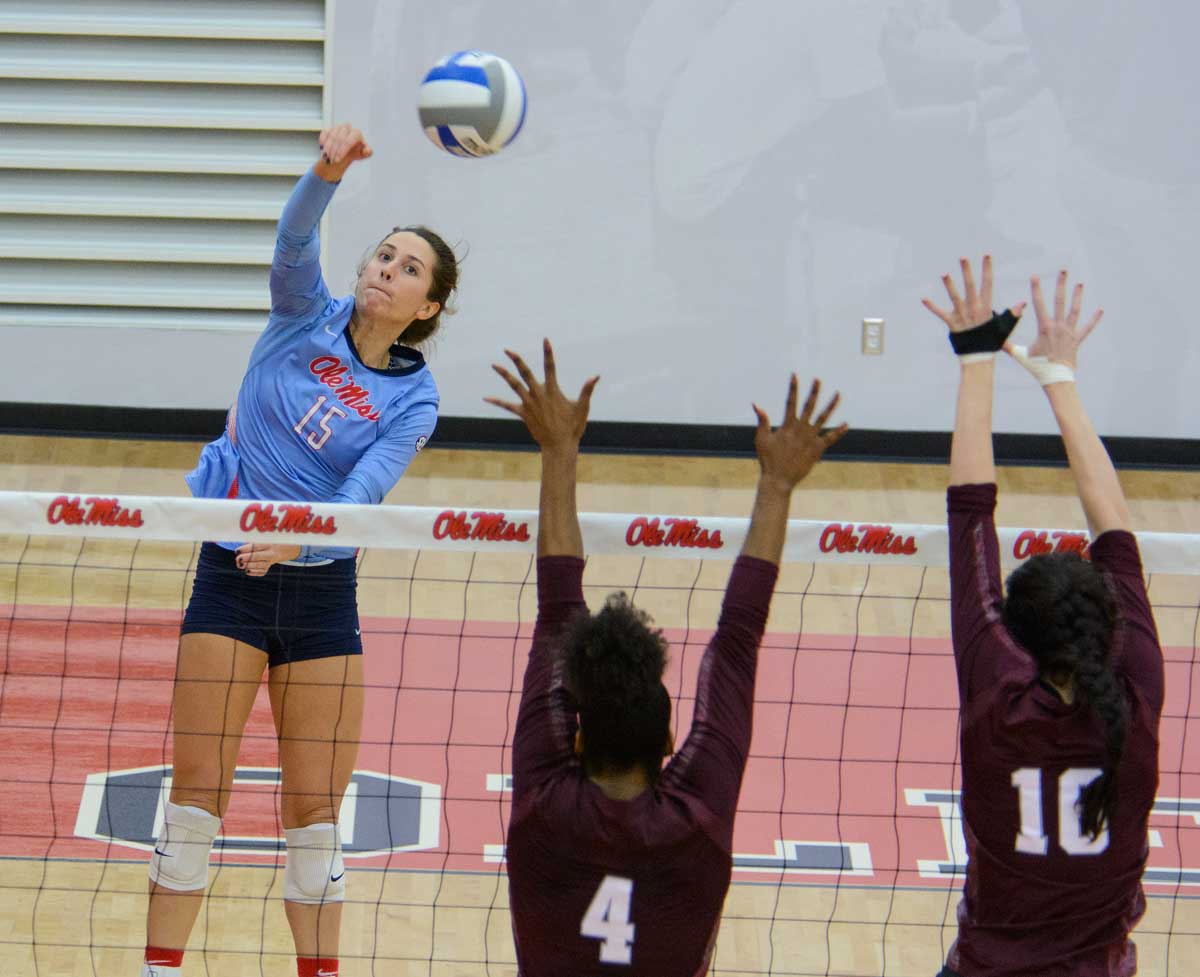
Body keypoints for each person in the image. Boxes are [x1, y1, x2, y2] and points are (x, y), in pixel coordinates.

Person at [140, 124, 459, 977]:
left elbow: (363, 495)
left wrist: (300, 535)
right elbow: (293, 238)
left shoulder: (414, 400)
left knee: (315, 816)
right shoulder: (298, 313)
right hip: (229, 577)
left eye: (408, 268)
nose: (385, 269)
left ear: (426, 308)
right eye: (382, 255)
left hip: (320, 597)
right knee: (195, 802)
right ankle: (157, 969)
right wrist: (329, 168)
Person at [485, 339, 847, 976]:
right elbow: (737, 639)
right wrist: (779, 483)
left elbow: (558, 612)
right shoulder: (697, 818)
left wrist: (559, 451)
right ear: (671, 741)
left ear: (575, 740)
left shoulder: (545, 802)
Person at [923, 256, 1163, 976]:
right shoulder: (1136, 692)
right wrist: (1061, 383)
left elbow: (971, 518)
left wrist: (976, 360)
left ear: (1018, 638)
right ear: (1109, 628)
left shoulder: (996, 691)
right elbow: (1117, 533)